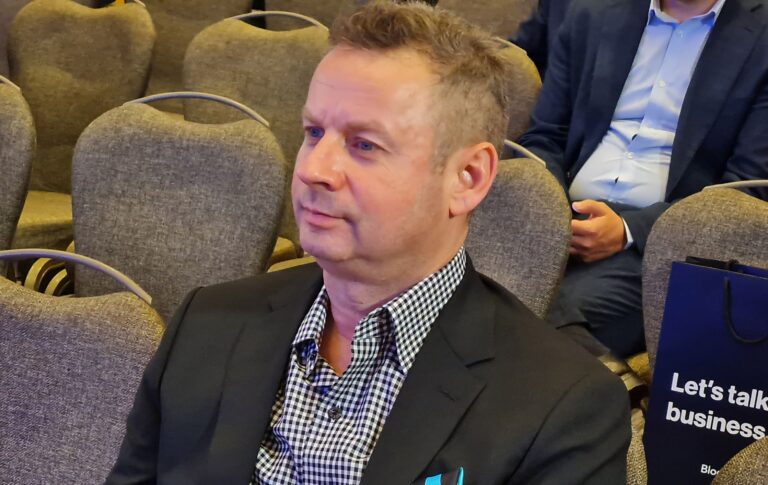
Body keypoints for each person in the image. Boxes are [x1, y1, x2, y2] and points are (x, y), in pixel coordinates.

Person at [106, 3, 630, 484]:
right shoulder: (207, 325)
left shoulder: (561, 407)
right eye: (314, 132)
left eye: (364, 145)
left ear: (467, 178)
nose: (314, 169)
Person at [518, 0, 768, 359]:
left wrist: (628, 230)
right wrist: (550, 209)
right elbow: (544, 136)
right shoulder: (593, 12)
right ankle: (611, 377)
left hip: (663, 240)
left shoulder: (761, 37)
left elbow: (745, 188)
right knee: (464, 275)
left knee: (527, 309)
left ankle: (605, 381)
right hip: (563, 211)